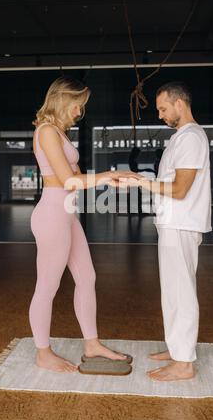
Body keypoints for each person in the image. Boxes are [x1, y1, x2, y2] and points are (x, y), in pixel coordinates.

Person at [30, 76, 139, 373]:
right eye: (79, 104)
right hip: (52, 213)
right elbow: (67, 180)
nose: (80, 111)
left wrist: (112, 179)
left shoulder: (61, 134)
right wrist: (106, 175)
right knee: (48, 285)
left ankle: (91, 344)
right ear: (64, 99)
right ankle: (43, 352)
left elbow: (77, 180)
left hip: (67, 213)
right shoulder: (46, 131)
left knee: (87, 277)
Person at [122, 82, 212, 381]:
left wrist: (141, 182)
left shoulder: (191, 138)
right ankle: (178, 350)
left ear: (179, 104)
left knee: (181, 292)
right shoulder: (180, 138)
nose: (160, 114)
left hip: (181, 224)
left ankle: (184, 363)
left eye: (162, 108)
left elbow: (180, 189)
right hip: (173, 223)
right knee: (172, 291)